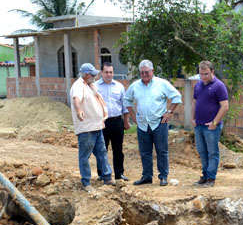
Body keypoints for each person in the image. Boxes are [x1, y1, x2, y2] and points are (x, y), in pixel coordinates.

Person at [123, 60, 182, 186]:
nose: (144, 75)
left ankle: (163, 176)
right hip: (143, 124)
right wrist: (133, 116)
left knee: (162, 151)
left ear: (152, 71)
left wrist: (169, 111)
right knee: (145, 152)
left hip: (159, 123)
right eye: (142, 73)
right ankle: (147, 176)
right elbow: (126, 100)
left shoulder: (162, 84)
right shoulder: (135, 86)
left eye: (146, 72)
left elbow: (177, 97)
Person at [70, 62, 113, 191]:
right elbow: (76, 99)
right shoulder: (78, 86)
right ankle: (86, 181)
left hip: (97, 126)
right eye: (93, 74)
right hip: (87, 128)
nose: (95, 76)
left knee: (102, 152)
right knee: (85, 156)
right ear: (87, 75)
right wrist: (78, 111)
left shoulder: (90, 85)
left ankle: (107, 177)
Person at [192, 60, 229, 187]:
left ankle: (211, 179)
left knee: (212, 152)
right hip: (199, 125)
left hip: (211, 127)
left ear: (212, 72)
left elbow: (224, 106)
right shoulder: (198, 85)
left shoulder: (219, 86)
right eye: (201, 74)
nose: (203, 77)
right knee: (202, 151)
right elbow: (195, 102)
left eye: (206, 74)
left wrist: (215, 122)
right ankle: (205, 175)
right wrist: (193, 118)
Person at [96, 62, 130, 181]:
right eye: (106, 72)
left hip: (117, 122)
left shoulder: (119, 87)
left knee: (118, 150)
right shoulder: (95, 87)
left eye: (111, 72)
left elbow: (124, 105)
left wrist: (126, 121)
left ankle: (119, 174)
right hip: (102, 123)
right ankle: (102, 174)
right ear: (101, 72)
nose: (109, 74)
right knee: (102, 149)